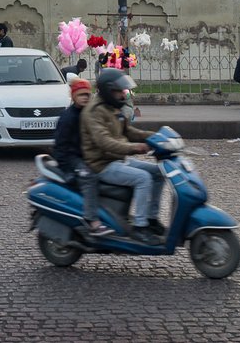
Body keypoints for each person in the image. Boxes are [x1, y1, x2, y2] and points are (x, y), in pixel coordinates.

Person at [81, 68, 164, 244]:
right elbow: (104, 142)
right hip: (102, 164)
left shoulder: (113, 108)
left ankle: (151, 219)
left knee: (159, 172)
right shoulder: (94, 112)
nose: (122, 95)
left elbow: (128, 131)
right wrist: (136, 148)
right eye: (119, 91)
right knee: (143, 178)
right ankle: (140, 228)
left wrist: (155, 136)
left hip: (117, 159)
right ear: (108, 90)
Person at [51, 77, 110, 237]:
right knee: (89, 177)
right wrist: (68, 168)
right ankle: (92, 220)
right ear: (73, 96)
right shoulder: (68, 117)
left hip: (85, 156)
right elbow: (60, 147)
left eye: (87, 94)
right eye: (81, 94)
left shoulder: (89, 114)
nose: (84, 97)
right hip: (72, 158)